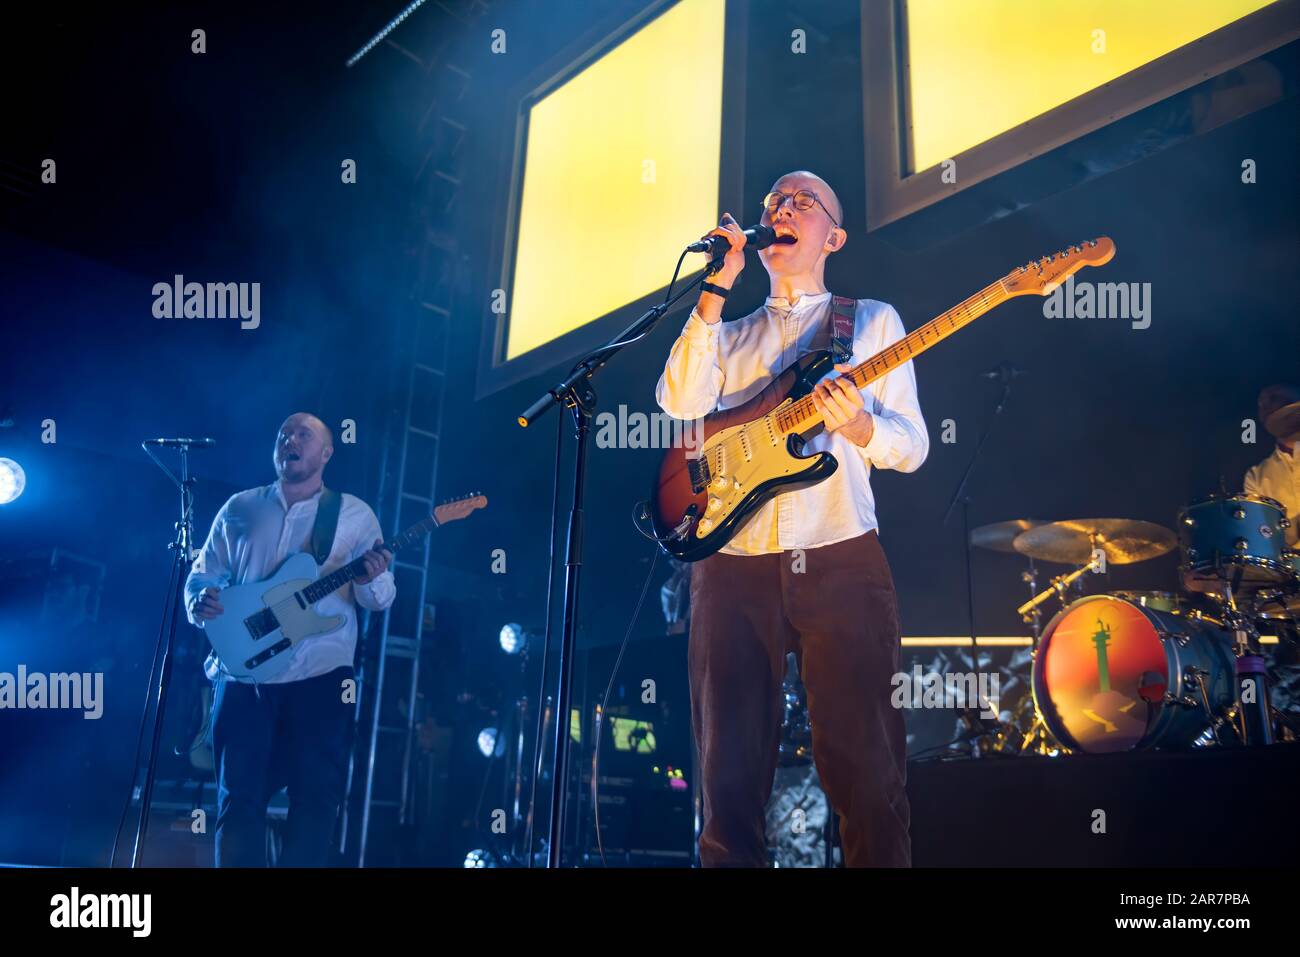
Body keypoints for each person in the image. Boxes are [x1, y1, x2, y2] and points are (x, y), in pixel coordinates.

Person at [655, 170, 928, 866]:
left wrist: (863, 427)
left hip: (840, 552)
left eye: (802, 201)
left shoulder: (871, 321)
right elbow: (679, 400)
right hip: (731, 563)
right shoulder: (731, 331)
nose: (783, 209)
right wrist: (715, 287)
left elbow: (915, 446)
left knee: (866, 770)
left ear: (832, 236)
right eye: (775, 201)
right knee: (727, 783)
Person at [184, 412, 395, 866]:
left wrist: (373, 578)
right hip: (243, 678)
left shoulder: (354, 514)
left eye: (304, 435)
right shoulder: (240, 506)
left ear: (326, 452)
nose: (290, 441)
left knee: (315, 803)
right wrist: (200, 599)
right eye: (283, 435)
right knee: (238, 802)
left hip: (319, 677)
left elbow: (378, 600)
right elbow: (203, 573)